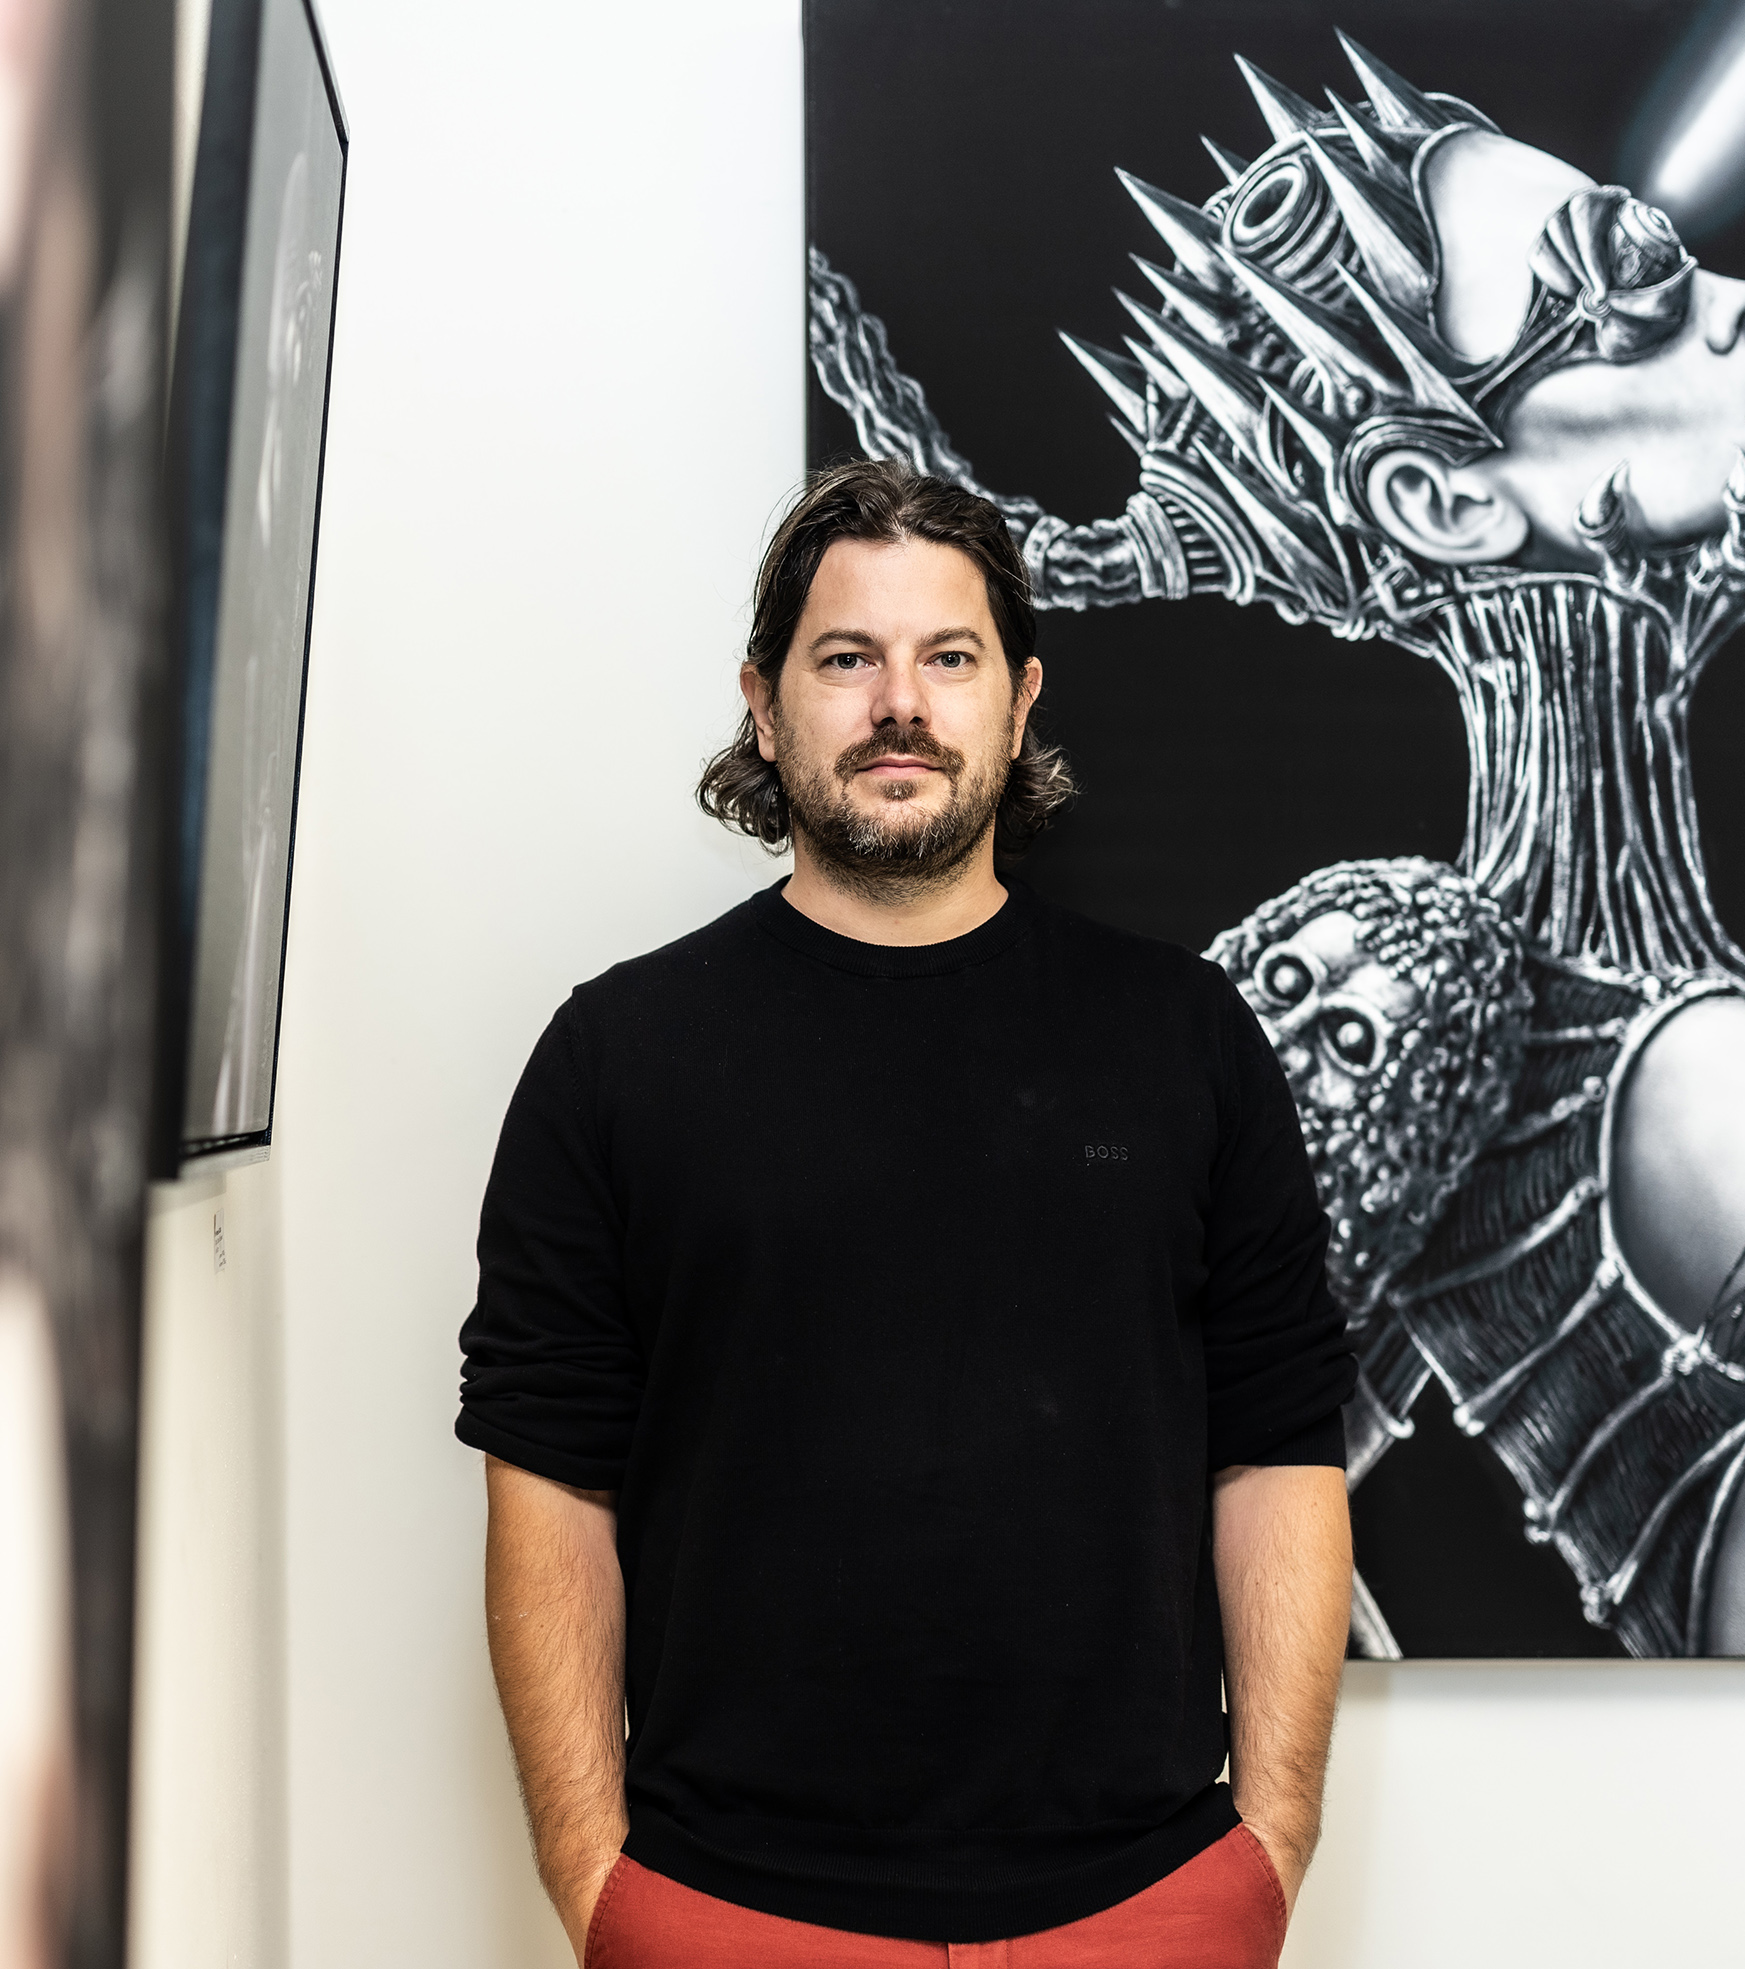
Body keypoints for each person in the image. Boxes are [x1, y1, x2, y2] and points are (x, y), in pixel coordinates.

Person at [805, 32, 1745, 1659]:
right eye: (1632, 290)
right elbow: (1159, 1471)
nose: (1732, 300)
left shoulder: (1599, 1045)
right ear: (1443, 500)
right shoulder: (1420, 998)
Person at [455, 459, 1357, 1968]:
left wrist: (1266, 1846)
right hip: (727, 1910)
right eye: (844, 659)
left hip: (1142, 1906)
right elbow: (547, 1475)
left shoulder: (1185, 1040)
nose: (899, 705)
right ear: (764, 705)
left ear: (1018, 700)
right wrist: (593, 1876)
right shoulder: (617, 1057)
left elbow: (1277, 1447)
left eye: (948, 657)